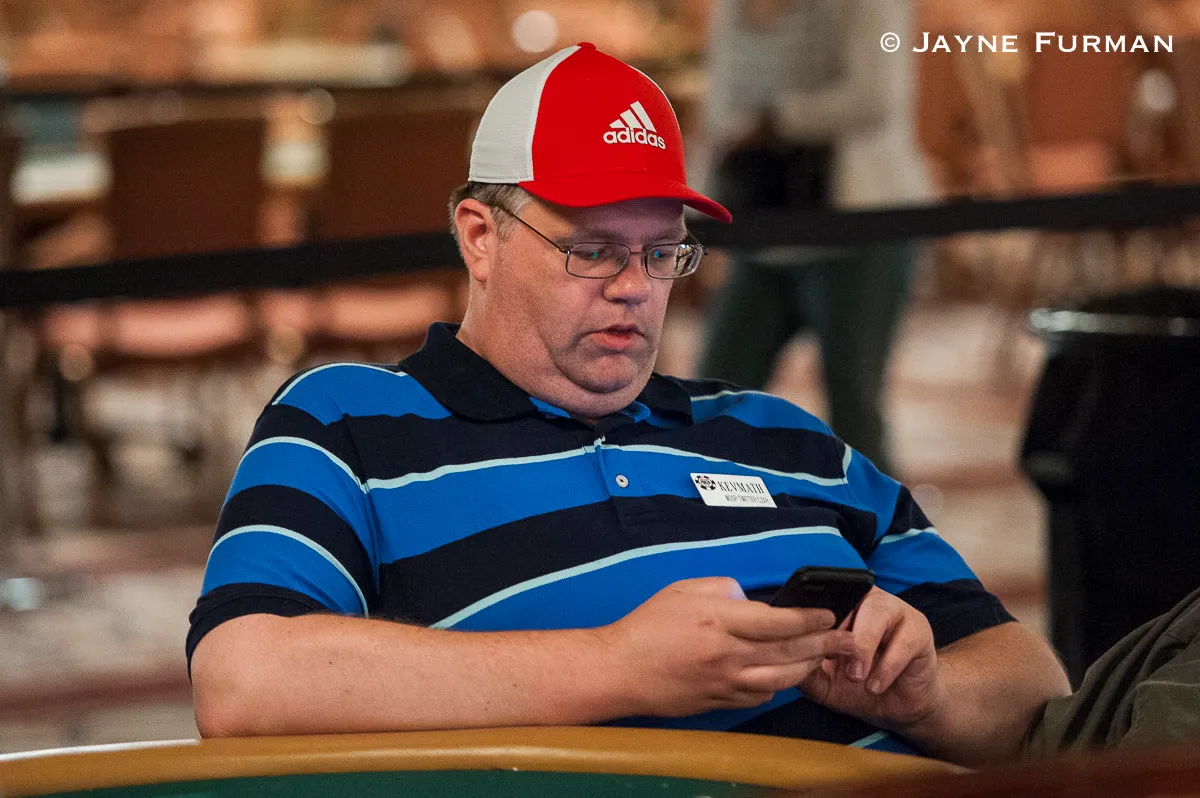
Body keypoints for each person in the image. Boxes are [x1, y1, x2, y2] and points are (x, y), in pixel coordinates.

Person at [187, 42, 1069, 765]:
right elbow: (243, 681)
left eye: (662, 253)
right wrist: (621, 664)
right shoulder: (348, 423)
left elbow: (1035, 690)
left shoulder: (783, 436)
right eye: (595, 249)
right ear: (480, 238)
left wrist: (927, 696)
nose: (636, 289)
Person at [696, 0, 928, 473]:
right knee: (714, 395)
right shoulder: (733, 8)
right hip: (766, 225)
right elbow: (719, 104)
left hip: (858, 226)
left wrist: (773, 121)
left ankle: (872, 520)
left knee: (855, 415)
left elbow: (876, 98)